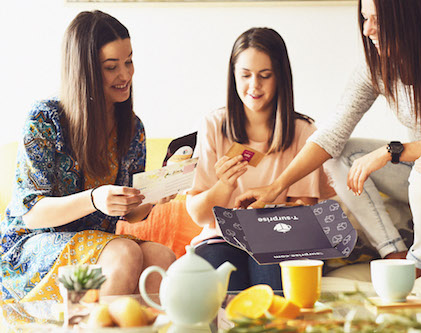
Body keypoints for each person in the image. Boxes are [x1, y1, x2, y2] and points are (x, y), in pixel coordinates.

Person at [236, 0, 421, 278]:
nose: (367, 29)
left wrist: (390, 151)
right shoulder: (378, 65)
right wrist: (276, 187)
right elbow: (332, 134)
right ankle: (394, 253)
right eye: (364, 18)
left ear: (409, 16)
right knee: (341, 155)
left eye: (377, 20)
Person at [0, 10, 176, 303]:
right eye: (111, 67)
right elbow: (32, 213)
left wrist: (157, 194)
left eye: (129, 62)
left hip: (97, 246)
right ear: (86, 70)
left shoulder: (132, 129)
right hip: (31, 250)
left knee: (161, 255)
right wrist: (94, 198)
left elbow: (130, 214)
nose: (125, 75)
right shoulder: (45, 120)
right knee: (124, 252)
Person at [186, 27, 334, 291]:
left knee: (272, 285)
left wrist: (266, 214)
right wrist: (225, 186)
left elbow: (306, 211)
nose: (254, 86)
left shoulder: (304, 132)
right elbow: (198, 215)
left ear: (280, 77)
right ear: (233, 76)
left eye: (264, 76)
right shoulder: (213, 125)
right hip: (220, 238)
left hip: (279, 238)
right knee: (218, 284)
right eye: (245, 75)